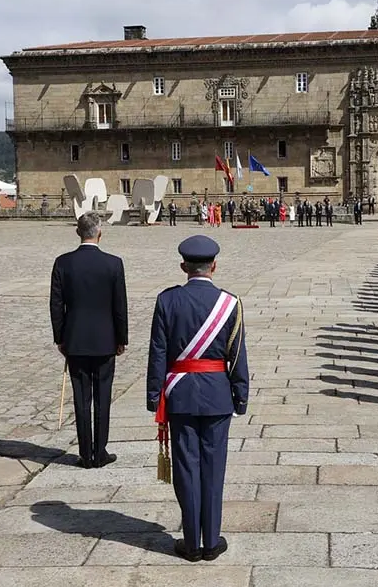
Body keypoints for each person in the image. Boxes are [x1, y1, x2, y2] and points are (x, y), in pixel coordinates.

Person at [147, 235, 249, 562]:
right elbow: (237, 355)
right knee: (214, 468)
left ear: (183, 267)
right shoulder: (229, 303)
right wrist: (241, 395)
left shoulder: (167, 301)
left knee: (186, 468)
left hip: (180, 394)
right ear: (214, 266)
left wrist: (154, 395)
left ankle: (191, 543)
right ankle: (211, 541)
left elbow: (158, 353)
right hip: (218, 394)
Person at [50, 213, 129, 468]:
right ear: (100, 233)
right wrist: (122, 338)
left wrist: (60, 338)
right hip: (106, 339)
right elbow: (120, 306)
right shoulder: (113, 264)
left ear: (78, 232)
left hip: (75, 340)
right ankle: (100, 451)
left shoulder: (63, 263)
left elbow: (56, 305)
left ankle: (85, 453)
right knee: (102, 397)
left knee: (81, 397)